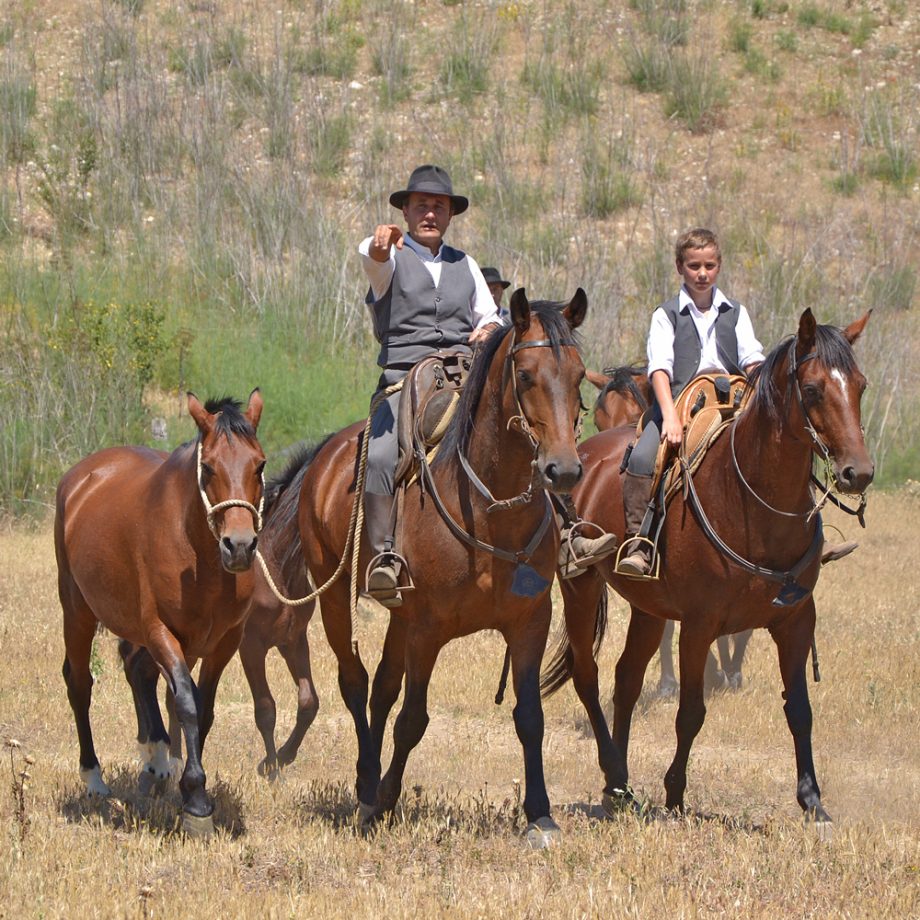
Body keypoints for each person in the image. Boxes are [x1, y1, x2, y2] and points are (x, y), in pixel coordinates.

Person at [360, 165, 616, 605]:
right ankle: (384, 556)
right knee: (382, 452)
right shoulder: (390, 258)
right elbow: (373, 257)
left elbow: (490, 316)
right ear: (404, 211)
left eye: (438, 206)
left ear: (450, 215)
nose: (430, 214)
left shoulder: (466, 264)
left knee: (525, 435)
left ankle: (569, 532)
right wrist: (378, 243)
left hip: (462, 375)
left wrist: (487, 329)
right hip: (407, 380)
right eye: (421, 205)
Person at [617, 228, 766, 576]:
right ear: (680, 267)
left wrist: (764, 385)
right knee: (641, 456)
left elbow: (752, 359)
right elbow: (659, 370)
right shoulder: (666, 315)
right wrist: (668, 417)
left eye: (709, 266)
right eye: (694, 265)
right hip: (682, 401)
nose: (702, 273)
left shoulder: (736, 312)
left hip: (733, 401)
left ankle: (802, 537)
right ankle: (639, 543)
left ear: (719, 267)